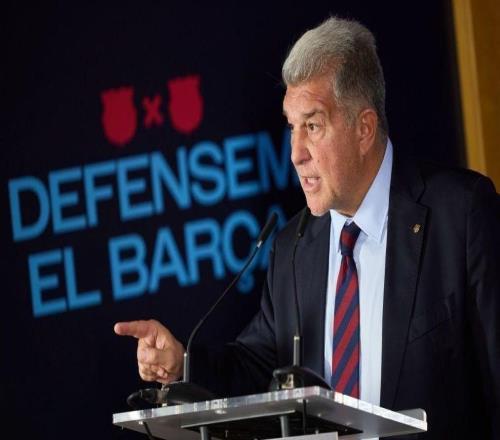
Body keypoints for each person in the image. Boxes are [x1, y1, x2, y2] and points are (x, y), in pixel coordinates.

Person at [114, 17, 500, 439]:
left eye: (313, 126)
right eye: (292, 127)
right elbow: (258, 365)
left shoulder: (460, 216)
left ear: (364, 128)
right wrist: (182, 364)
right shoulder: (293, 248)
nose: (296, 153)